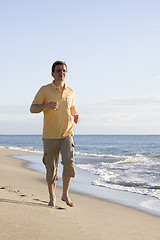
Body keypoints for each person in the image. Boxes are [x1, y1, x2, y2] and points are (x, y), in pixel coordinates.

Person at [30, 61, 79, 207]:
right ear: (52, 73)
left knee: (69, 163)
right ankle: (52, 198)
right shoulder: (45, 90)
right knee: (51, 169)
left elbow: (72, 108)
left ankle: (65, 194)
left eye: (64, 71)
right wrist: (46, 105)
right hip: (50, 136)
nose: (61, 73)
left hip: (67, 134)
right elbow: (32, 108)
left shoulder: (71, 91)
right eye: (58, 71)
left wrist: (75, 115)